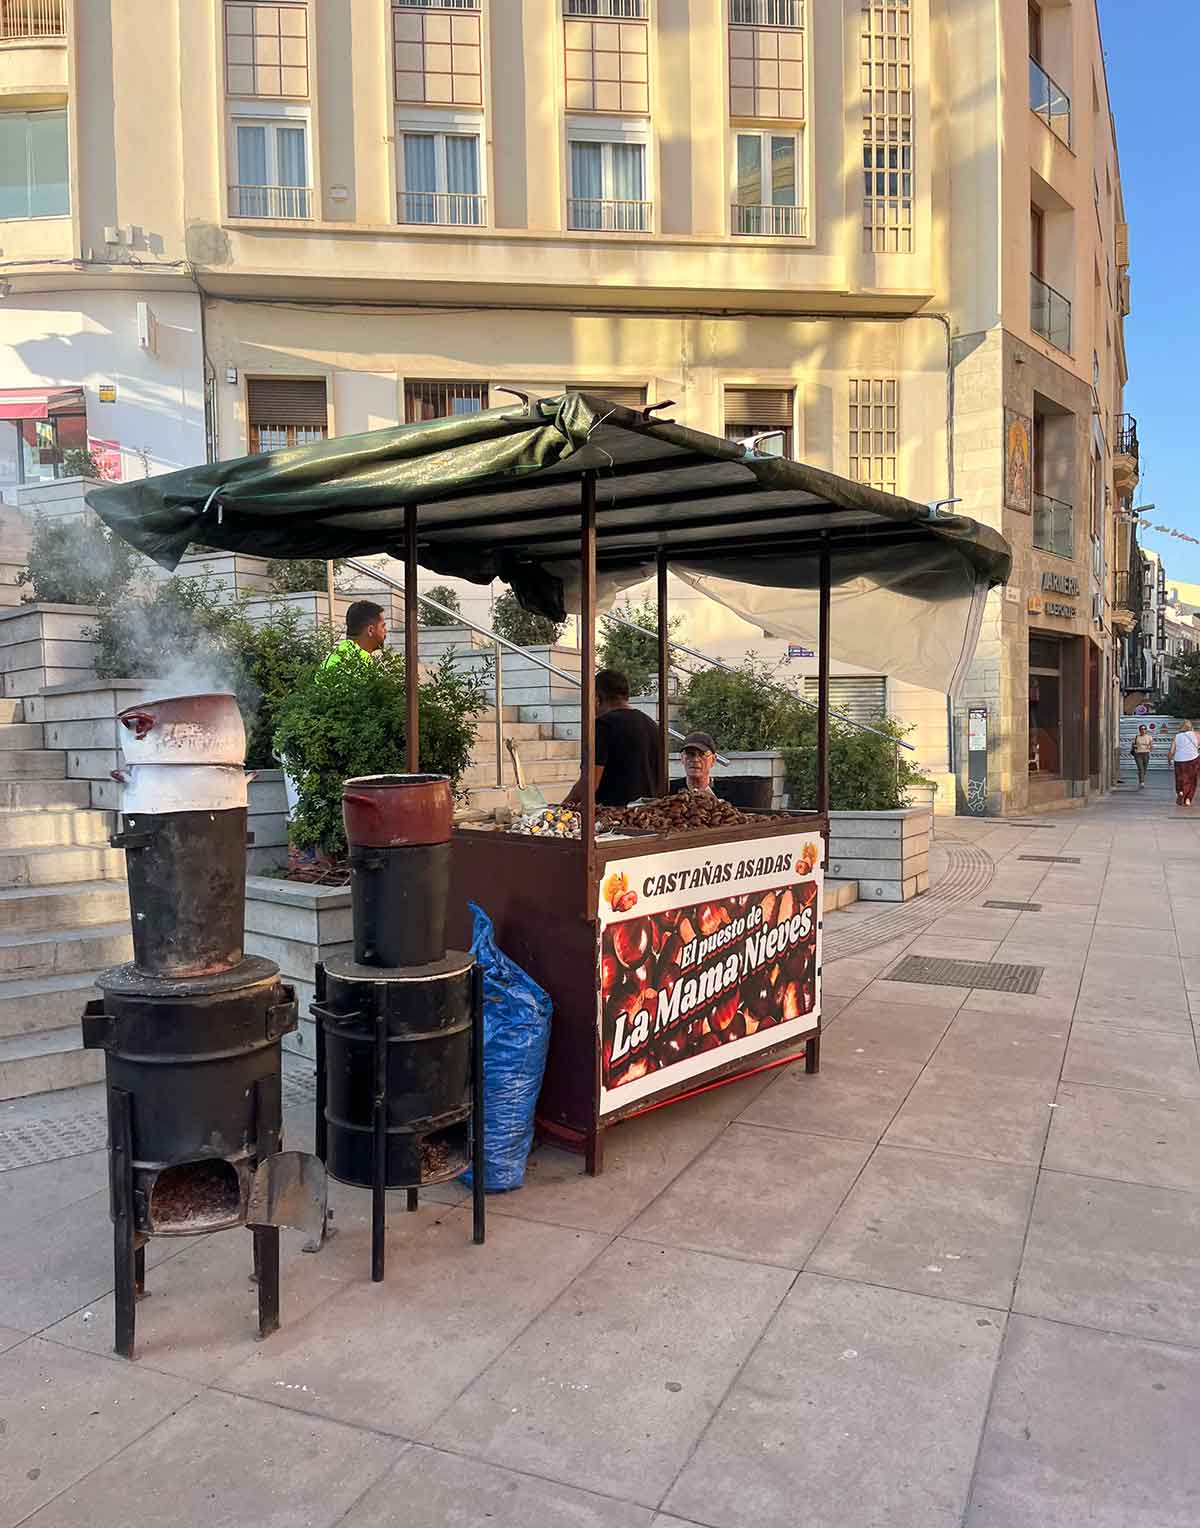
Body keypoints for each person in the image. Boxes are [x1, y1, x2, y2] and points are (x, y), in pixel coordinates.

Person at [563, 668, 662, 808]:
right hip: (647, 817)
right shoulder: (651, 725)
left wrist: (565, 806)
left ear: (596, 697)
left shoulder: (603, 726)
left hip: (613, 818)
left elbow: (590, 781)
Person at [321, 599, 387, 670]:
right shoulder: (360, 663)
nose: (386, 630)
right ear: (370, 630)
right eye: (383, 626)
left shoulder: (336, 654)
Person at [1168, 719, 1200, 807]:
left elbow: (1171, 751)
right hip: (1193, 759)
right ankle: (1188, 799)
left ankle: (1181, 792)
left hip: (1179, 760)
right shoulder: (1196, 734)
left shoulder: (1177, 736)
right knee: (1192, 780)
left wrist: (1169, 760)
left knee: (1180, 778)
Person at [1131, 723, 1153, 788]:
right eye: (1141, 729)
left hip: (1146, 753)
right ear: (1139, 730)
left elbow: (1151, 746)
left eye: (1144, 729)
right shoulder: (1136, 737)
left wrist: (1149, 747)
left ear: (1146, 730)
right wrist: (1135, 746)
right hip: (1138, 754)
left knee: (1144, 769)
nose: (1143, 730)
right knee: (1141, 768)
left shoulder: (1149, 737)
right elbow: (1132, 745)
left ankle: (1142, 777)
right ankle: (1142, 782)